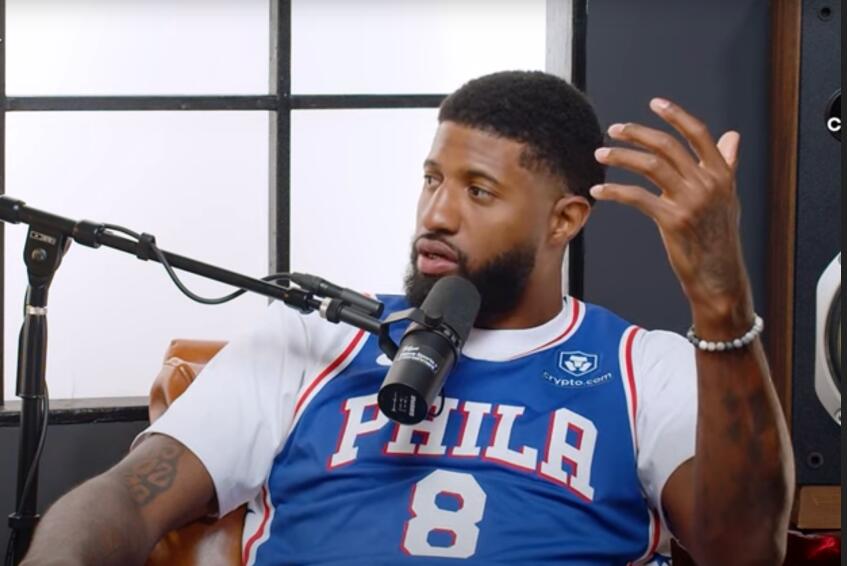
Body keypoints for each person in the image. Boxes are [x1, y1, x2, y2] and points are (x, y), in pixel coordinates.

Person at [21, 71, 793, 565]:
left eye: (477, 191)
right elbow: (127, 497)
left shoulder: (642, 367)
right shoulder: (311, 338)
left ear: (563, 220)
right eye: (431, 180)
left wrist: (719, 302)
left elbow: (743, 550)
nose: (436, 214)